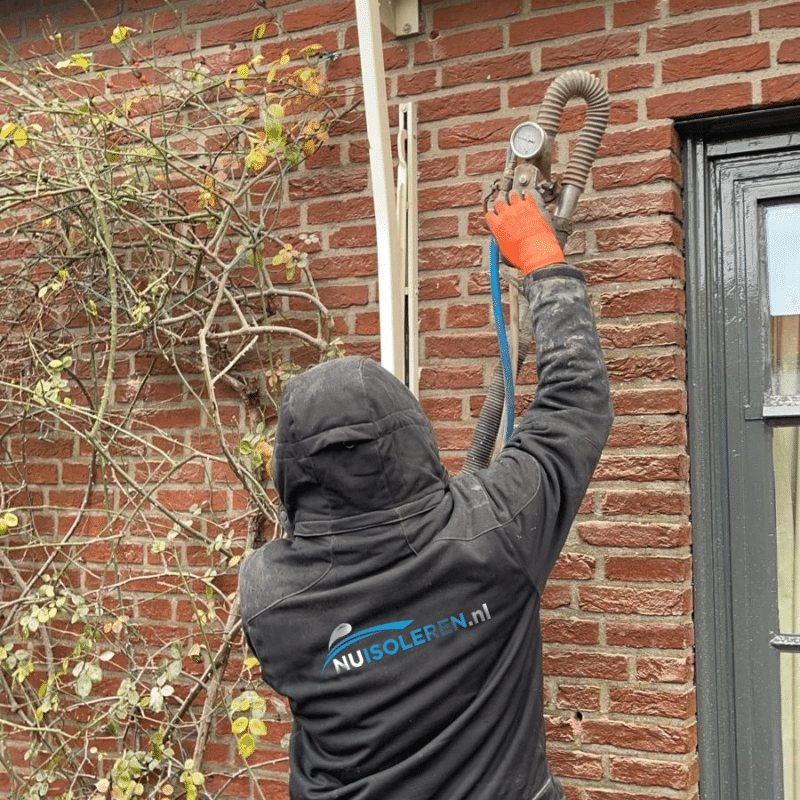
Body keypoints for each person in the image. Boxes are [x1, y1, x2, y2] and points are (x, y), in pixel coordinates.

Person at [238, 191, 613, 800]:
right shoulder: (497, 531)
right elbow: (575, 407)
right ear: (413, 432)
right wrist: (544, 258)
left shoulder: (267, 594)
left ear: (292, 468)